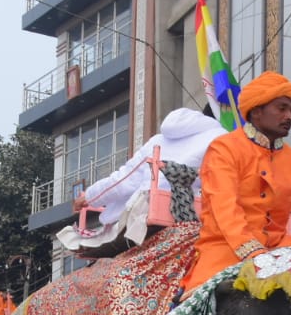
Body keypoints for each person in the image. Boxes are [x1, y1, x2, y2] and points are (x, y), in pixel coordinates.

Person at [181, 71, 291, 292]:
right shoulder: (224, 149)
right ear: (256, 112)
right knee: (195, 312)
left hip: (282, 253)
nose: (290, 116)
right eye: (282, 108)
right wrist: (252, 251)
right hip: (225, 251)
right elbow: (225, 207)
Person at [64, 107, 225, 252]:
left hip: (146, 212)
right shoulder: (224, 139)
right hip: (192, 214)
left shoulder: (158, 140)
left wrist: (90, 197)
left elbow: (125, 179)